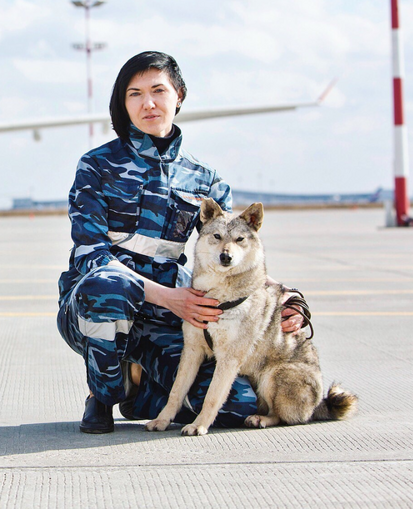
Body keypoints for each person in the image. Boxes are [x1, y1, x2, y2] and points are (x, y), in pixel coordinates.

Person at [57, 51, 307, 434]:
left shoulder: (204, 180)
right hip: (99, 309)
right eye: (134, 94)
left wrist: (288, 300)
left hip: (168, 320)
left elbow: (232, 252)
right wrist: (168, 296)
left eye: (158, 90)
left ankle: (139, 386)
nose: (148, 103)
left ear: (179, 95)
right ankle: (103, 394)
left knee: (238, 405)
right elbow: (91, 257)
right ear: (123, 105)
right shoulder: (97, 167)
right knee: (104, 285)